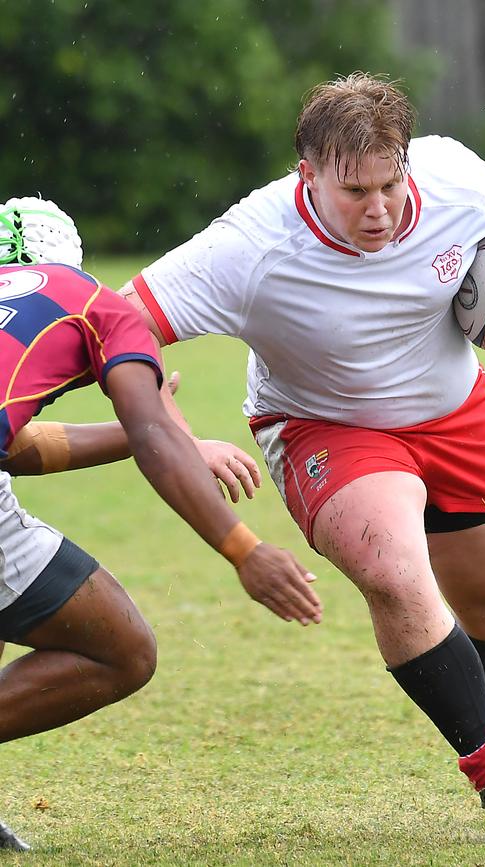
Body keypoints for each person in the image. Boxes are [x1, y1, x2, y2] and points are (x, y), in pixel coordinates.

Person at [120, 73, 485, 845]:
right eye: (354, 191)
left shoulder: (452, 174)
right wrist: (175, 427)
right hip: (324, 425)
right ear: (306, 173)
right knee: (392, 571)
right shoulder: (250, 244)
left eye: (389, 183)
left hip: (454, 410)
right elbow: (119, 324)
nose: (378, 209)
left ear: (408, 160)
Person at [0, 197, 322, 852]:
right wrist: (244, 548)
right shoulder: (97, 303)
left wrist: (157, 434)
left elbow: (18, 447)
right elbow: (151, 436)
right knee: (122, 648)